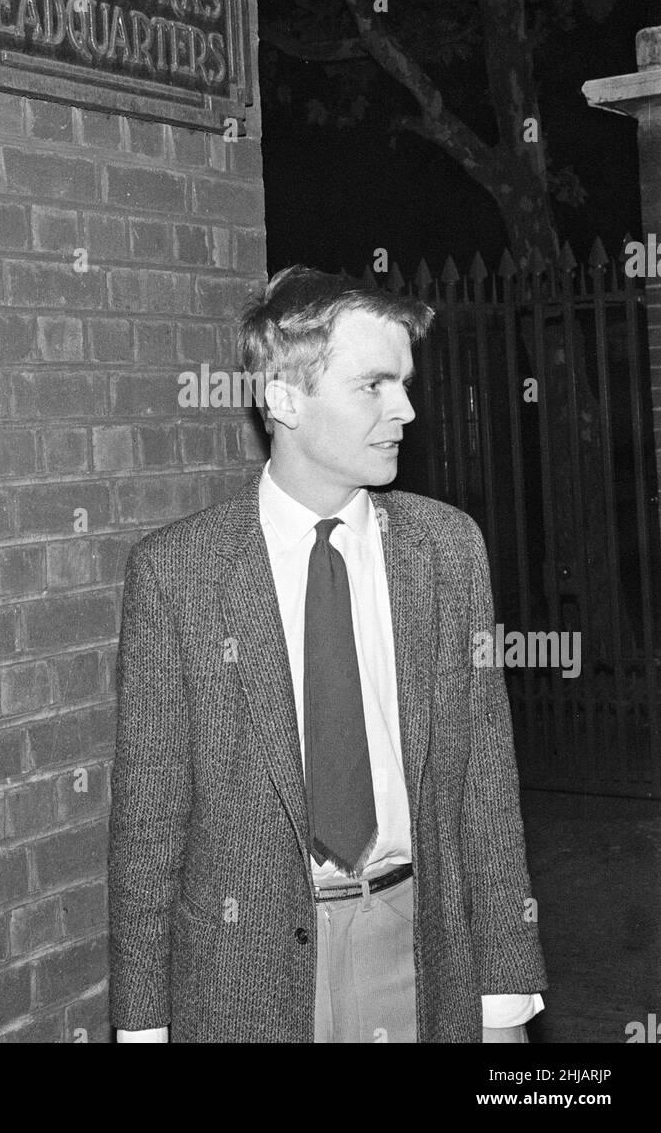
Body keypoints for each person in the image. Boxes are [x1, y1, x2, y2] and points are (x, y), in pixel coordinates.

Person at [108, 265, 547, 1043]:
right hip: (241, 973)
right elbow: (149, 822)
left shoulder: (446, 549)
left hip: (418, 946)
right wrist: (142, 1028)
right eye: (373, 385)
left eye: (405, 383)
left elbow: (483, 782)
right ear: (284, 399)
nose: (405, 410)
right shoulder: (177, 574)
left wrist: (504, 1000)